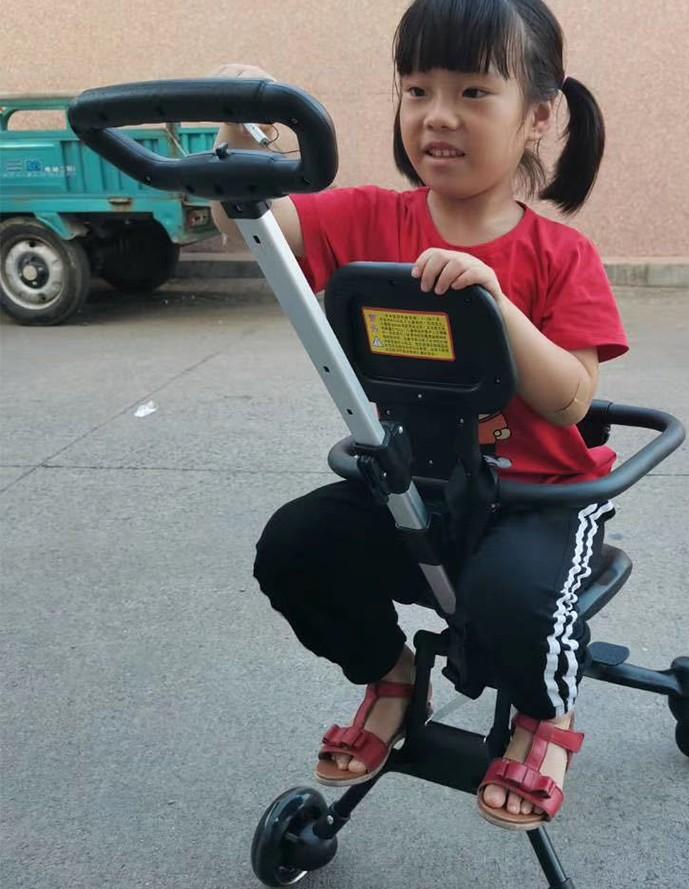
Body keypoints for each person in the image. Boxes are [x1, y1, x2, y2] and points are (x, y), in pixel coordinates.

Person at [211, 0, 628, 831]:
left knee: (511, 602)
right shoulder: (369, 219)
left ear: (538, 115)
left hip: (538, 499)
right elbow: (254, 224)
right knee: (295, 548)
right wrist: (238, 128)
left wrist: (494, 302)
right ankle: (392, 674)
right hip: (416, 489)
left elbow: (571, 400)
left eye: (473, 92)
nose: (438, 115)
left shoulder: (561, 255)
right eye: (417, 90)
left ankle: (545, 713)